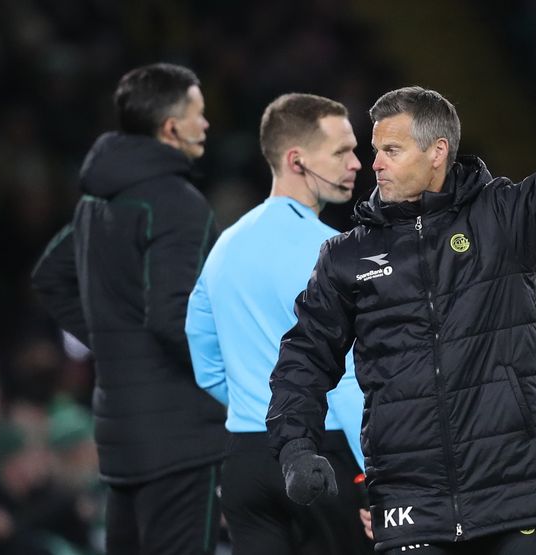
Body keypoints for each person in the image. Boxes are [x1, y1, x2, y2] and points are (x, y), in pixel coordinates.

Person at [266, 24, 536, 554]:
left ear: (437, 152)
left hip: (513, 492)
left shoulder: (504, 219)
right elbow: (303, 357)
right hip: (410, 501)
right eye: (376, 150)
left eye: (391, 150)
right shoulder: (346, 256)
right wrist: (295, 448)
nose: (375, 164)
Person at [31, 63, 225, 555]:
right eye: (197, 114)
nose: (206, 124)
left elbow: (49, 277)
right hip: (180, 438)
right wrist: (235, 373)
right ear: (170, 126)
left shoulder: (94, 205)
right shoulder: (179, 204)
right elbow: (171, 318)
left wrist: (113, 342)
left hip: (121, 438)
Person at [185, 92, 373, 554]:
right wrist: (379, 473)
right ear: (296, 159)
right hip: (323, 453)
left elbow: (202, 356)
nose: (357, 163)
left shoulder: (225, 246)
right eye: (341, 152)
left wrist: (255, 404)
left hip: (246, 459)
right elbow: (349, 377)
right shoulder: (334, 252)